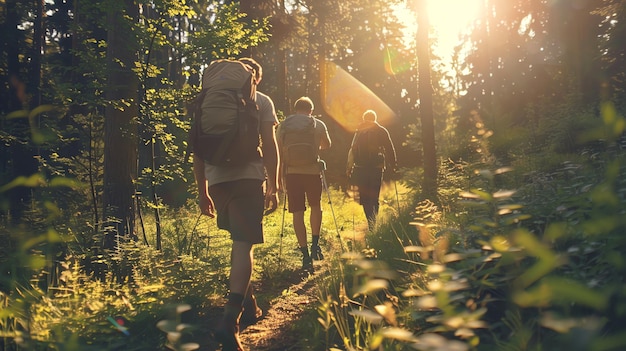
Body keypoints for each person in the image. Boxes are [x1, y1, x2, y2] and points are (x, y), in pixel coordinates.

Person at [193, 57, 279, 351]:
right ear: (255, 78)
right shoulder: (262, 101)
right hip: (248, 178)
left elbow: (197, 149)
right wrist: (275, 184)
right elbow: (269, 143)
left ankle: (251, 306)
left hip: (217, 181)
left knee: (238, 242)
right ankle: (230, 322)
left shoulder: (209, 102)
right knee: (244, 244)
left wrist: (202, 191)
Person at [276, 97, 331, 272]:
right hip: (313, 172)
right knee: (316, 206)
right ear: (311, 110)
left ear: (295, 109)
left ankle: (305, 255)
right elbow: (327, 144)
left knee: (297, 213)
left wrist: (278, 178)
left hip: (292, 174)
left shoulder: (284, 125)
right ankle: (315, 245)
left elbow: (277, 148)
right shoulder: (317, 124)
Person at [346, 109, 397, 231]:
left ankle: (370, 221)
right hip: (376, 168)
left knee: (364, 198)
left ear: (364, 119)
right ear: (374, 119)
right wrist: (393, 164)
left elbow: (352, 150)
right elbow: (390, 148)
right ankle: (373, 223)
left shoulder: (359, 131)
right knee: (374, 196)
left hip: (361, 168)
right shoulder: (381, 131)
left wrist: (348, 167)